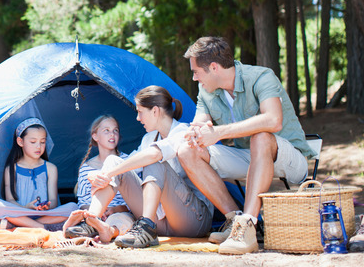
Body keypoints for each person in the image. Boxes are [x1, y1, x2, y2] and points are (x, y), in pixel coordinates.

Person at [177, 36, 316, 255]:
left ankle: (249, 224)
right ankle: (235, 222)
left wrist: (219, 132)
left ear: (214, 67)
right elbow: (200, 121)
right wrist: (195, 133)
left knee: (260, 136)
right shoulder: (207, 91)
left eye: (196, 72)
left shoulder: (261, 77)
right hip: (249, 157)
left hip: (288, 158)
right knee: (187, 151)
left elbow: (273, 120)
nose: (194, 78)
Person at [64, 86, 213, 248]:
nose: (137, 118)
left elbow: (153, 155)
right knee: (114, 160)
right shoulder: (149, 139)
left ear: (155, 111)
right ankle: (92, 220)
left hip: (192, 220)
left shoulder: (183, 132)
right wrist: (103, 174)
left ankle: (146, 228)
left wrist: (109, 173)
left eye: (140, 112)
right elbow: (125, 166)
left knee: (153, 161)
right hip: (161, 221)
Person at [0, 118, 77, 230]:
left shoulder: (51, 168)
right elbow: (10, 200)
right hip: (21, 212)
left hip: (45, 214)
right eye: (33, 142)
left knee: (73, 208)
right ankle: (42, 227)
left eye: (42, 142)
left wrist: (47, 206)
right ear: (20, 142)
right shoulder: (11, 169)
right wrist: (25, 207)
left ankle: (21, 225)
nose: (38, 147)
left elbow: (54, 200)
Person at [64, 115, 135, 241]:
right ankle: (92, 225)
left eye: (115, 130)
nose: (112, 134)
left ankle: (108, 230)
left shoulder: (127, 161)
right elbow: (83, 202)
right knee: (76, 211)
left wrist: (115, 209)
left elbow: (134, 195)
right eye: (106, 131)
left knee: (122, 219)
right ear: (95, 136)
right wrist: (95, 212)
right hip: (94, 213)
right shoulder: (86, 168)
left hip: (120, 212)